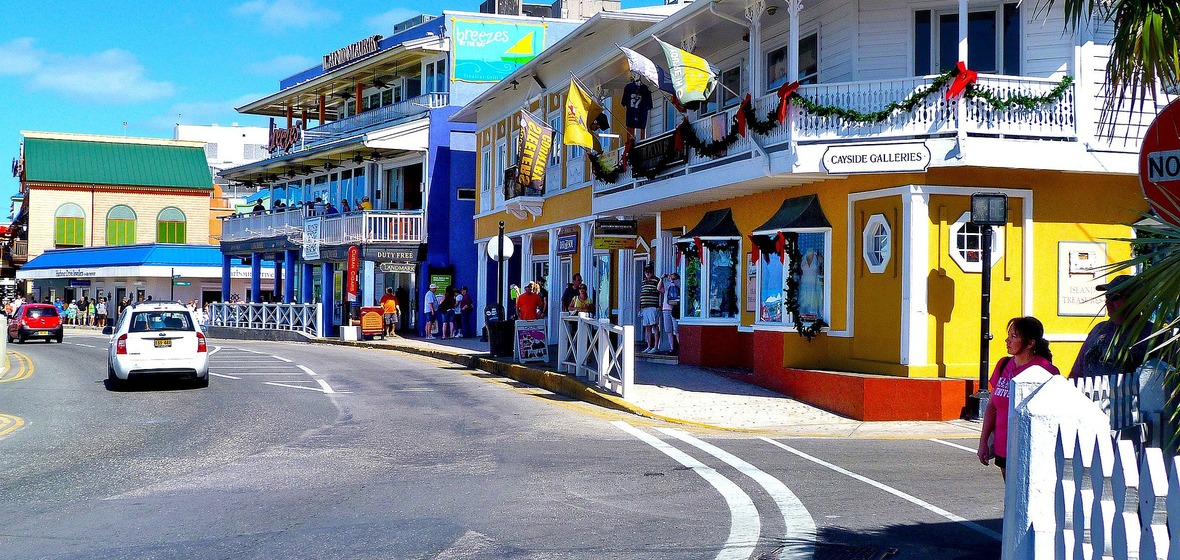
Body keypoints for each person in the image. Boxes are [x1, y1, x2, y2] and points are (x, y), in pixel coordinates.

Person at [978, 316, 1060, 479]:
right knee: (1011, 497)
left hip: (1030, 448)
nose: (1007, 340)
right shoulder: (1003, 365)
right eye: (1009, 336)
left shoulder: (1045, 370)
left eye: (1014, 336)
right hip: (1003, 446)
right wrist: (983, 443)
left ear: (1030, 343)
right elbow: (992, 407)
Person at [1070, 274, 1149, 379]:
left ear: (1134, 299)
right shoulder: (1099, 330)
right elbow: (1076, 373)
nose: (1108, 302)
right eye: (1107, 296)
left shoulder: (1153, 335)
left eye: (1115, 296)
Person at [639, 265, 661, 353]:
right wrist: (639, 307)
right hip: (644, 307)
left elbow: (660, 291)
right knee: (647, 327)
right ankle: (648, 346)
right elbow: (641, 294)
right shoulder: (643, 282)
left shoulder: (656, 280)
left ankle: (655, 346)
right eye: (646, 271)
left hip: (653, 306)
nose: (647, 273)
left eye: (649, 271)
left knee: (654, 326)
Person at [659, 272, 681, 354]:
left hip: (675, 309)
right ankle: (672, 348)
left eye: (673, 277)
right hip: (666, 309)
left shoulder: (677, 284)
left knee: (676, 330)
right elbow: (658, 288)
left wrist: (673, 280)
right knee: (669, 330)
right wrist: (662, 278)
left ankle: (680, 347)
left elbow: (679, 285)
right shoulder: (667, 285)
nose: (670, 278)